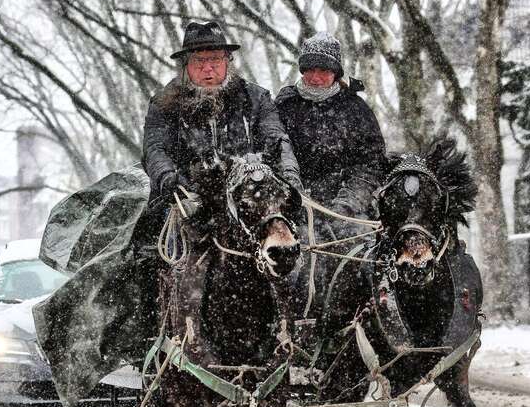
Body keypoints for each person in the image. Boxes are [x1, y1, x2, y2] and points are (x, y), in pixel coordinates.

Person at [142, 20, 302, 227]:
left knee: (291, 238)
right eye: (199, 61)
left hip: (250, 192)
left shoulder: (255, 98)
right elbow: (155, 148)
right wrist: (167, 178)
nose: (208, 69)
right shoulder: (163, 104)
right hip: (185, 194)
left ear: (228, 61)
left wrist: (290, 177)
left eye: (216, 60)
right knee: (151, 244)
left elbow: (278, 140)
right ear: (185, 66)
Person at [275, 31, 386, 244]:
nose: (315, 78)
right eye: (310, 70)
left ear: (335, 73)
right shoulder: (284, 106)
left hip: (347, 209)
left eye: (324, 71)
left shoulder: (356, 110)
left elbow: (372, 165)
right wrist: (293, 198)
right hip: (292, 205)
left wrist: (346, 204)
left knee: (360, 252)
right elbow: (273, 152)